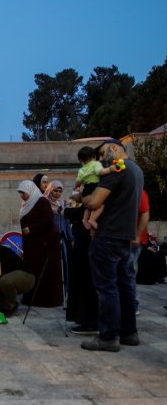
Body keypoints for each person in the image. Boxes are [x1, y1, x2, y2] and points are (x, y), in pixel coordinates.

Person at [81, 139, 143, 352]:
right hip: (124, 236)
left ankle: (108, 336)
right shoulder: (136, 170)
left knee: (106, 287)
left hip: (107, 235)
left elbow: (95, 201)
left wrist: (83, 196)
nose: (100, 159)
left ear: (115, 148)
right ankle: (129, 332)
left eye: (102, 153)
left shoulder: (118, 170)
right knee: (124, 285)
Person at [17, 180, 63, 307]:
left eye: (23, 193)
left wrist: (31, 229)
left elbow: (47, 221)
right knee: (33, 272)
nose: (22, 196)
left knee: (45, 273)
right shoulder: (26, 204)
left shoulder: (41, 201)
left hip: (44, 245)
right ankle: (31, 298)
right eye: (20, 193)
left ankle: (45, 301)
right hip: (32, 246)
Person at [64, 203, 98, 334]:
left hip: (87, 244)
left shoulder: (97, 190)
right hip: (85, 242)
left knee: (86, 281)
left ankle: (90, 322)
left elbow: (90, 203)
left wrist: (67, 211)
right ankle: (89, 321)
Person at [75, 146, 117, 230]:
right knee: (100, 205)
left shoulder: (81, 170)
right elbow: (100, 172)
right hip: (94, 187)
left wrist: (76, 187)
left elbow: (78, 182)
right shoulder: (96, 164)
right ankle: (92, 220)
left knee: (87, 207)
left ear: (81, 160)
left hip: (86, 189)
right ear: (94, 157)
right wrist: (111, 169)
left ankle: (85, 219)